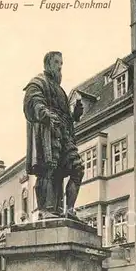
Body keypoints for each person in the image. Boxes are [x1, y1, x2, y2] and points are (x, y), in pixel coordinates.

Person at [23, 51, 84, 219]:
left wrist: (75, 115)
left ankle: (69, 210)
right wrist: (44, 112)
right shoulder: (38, 82)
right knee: (48, 169)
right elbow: (32, 101)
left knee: (77, 169)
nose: (60, 66)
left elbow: (65, 115)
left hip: (64, 133)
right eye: (57, 62)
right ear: (47, 64)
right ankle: (46, 210)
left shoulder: (61, 90)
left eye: (61, 63)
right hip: (47, 133)